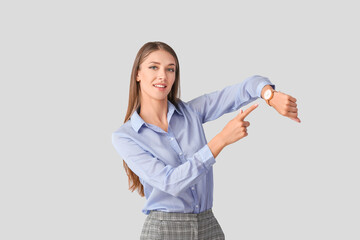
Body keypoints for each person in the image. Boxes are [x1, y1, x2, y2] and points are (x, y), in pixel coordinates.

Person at [112, 41, 300, 240]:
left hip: (207, 224)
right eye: (153, 67)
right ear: (137, 74)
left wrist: (269, 95)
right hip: (164, 231)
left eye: (170, 69)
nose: (163, 76)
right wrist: (221, 140)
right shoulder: (126, 137)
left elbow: (242, 89)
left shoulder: (191, 112)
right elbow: (171, 182)